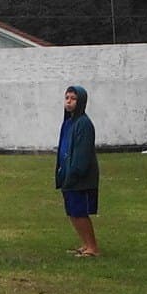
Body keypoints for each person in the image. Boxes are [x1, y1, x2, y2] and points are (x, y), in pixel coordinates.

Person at [56, 86, 100, 257]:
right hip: (67, 174)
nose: (69, 101)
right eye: (67, 97)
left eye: (73, 98)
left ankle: (92, 247)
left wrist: (74, 172)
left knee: (79, 212)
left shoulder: (84, 124)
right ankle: (85, 244)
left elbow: (82, 153)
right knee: (72, 212)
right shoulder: (68, 122)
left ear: (80, 101)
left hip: (79, 177)